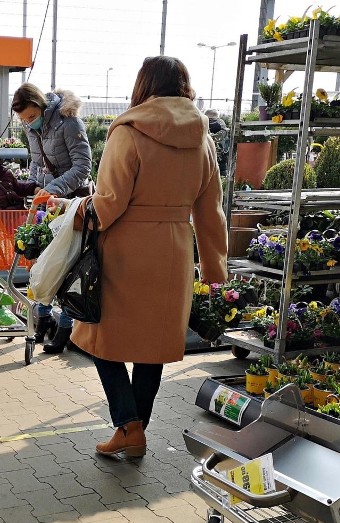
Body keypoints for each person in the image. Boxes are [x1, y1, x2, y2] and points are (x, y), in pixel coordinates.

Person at [68, 56, 227, 458]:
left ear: (143, 85)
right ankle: (135, 430)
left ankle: (128, 425)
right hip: (174, 251)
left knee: (99, 338)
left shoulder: (129, 130)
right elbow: (211, 212)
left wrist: (72, 214)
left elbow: (108, 204)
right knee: (151, 346)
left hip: (125, 253)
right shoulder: (203, 140)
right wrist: (214, 267)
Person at [11, 83, 92, 353]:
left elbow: (83, 166)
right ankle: (44, 318)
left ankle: (66, 328)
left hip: (74, 204)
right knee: (46, 263)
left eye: (31, 117)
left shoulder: (70, 122)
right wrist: (33, 185)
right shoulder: (31, 127)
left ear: (41, 105)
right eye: (23, 120)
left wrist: (53, 189)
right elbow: (36, 162)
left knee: (69, 267)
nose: (28, 124)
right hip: (50, 205)